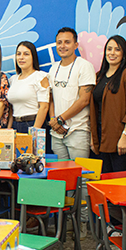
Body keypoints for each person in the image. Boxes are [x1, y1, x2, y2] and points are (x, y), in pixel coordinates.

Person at [90, 35, 126, 173]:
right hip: (102, 137)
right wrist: (93, 138)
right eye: (109, 49)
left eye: (117, 50)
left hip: (120, 138)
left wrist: (125, 136)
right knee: (104, 182)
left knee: (121, 185)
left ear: (123, 53)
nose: (112, 53)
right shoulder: (98, 76)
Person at [48, 28, 96, 160]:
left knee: (80, 175)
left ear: (75, 45)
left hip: (77, 130)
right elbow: (50, 98)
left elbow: (84, 100)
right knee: (61, 176)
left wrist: (60, 119)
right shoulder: (53, 68)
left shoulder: (84, 66)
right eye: (59, 42)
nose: (62, 46)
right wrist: (54, 120)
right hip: (56, 132)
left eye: (67, 42)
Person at [7, 41, 49, 132]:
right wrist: (9, 127)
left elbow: (44, 107)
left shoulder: (40, 77)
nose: (21, 57)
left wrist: (35, 130)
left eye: (26, 54)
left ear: (33, 57)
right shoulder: (13, 80)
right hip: (15, 125)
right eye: (18, 54)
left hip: (33, 123)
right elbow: (11, 108)